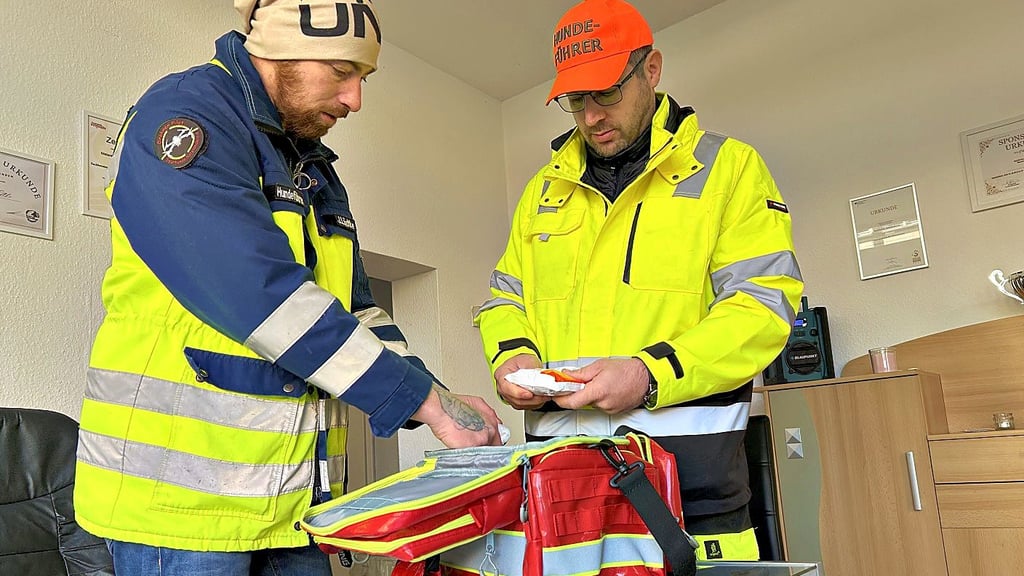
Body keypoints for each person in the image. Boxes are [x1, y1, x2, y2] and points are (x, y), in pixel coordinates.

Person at [73, 1, 503, 574]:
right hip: (177, 508)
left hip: (287, 502)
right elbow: (260, 294)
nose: (355, 99)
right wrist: (420, 401)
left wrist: (437, 395)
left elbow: (357, 312)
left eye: (363, 77)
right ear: (282, 47)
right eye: (343, 72)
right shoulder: (187, 113)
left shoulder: (316, 171)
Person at [476, 0, 803, 562]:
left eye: (605, 92)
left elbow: (762, 307)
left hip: (691, 498)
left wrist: (649, 374)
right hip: (561, 497)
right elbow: (506, 300)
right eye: (574, 101)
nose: (591, 116)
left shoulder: (729, 168)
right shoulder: (541, 193)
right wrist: (512, 359)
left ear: (651, 69)